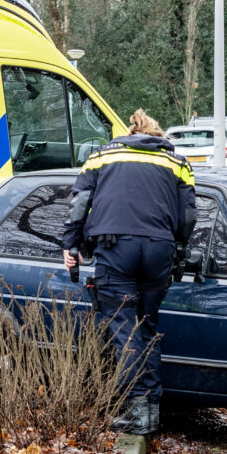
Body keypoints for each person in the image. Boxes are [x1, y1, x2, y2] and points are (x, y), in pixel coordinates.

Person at [60, 109, 196, 436]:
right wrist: (177, 245)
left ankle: (136, 413)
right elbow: (188, 215)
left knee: (125, 330)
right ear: (157, 134)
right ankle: (150, 412)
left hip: (116, 248)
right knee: (146, 326)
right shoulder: (177, 162)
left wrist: (71, 244)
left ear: (128, 133)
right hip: (159, 250)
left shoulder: (102, 156)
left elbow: (79, 202)